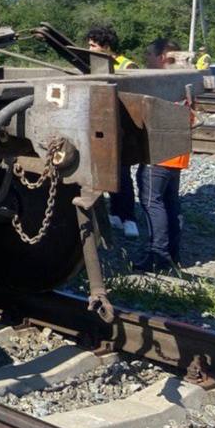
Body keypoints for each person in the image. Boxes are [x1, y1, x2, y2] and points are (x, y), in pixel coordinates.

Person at [134, 38, 189, 272]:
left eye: (149, 55)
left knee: (151, 202)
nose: (146, 59)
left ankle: (158, 254)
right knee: (170, 202)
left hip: (159, 153)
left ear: (161, 57)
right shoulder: (183, 79)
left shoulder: (161, 83)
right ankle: (173, 254)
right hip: (176, 152)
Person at [87, 26, 139, 237]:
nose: (88, 49)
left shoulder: (127, 65)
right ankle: (115, 214)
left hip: (122, 127)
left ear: (106, 46)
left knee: (122, 174)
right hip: (103, 125)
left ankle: (129, 218)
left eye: (92, 45)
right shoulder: (94, 66)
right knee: (106, 171)